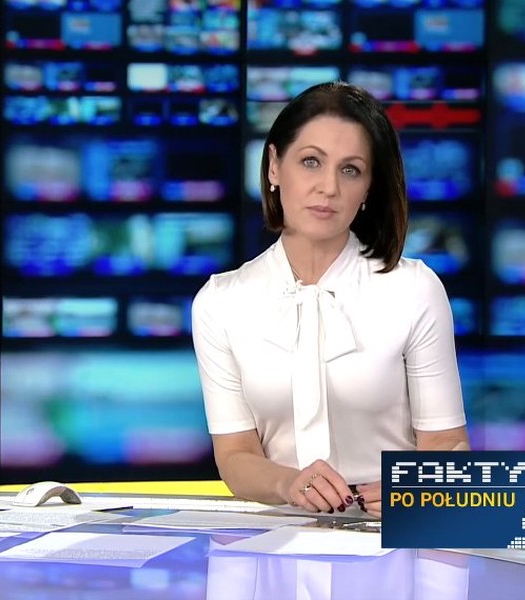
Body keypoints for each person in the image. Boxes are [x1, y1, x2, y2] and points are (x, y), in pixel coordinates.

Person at [191, 81, 469, 518]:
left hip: (397, 535)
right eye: (311, 162)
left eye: (350, 170)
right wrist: (289, 483)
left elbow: (448, 444)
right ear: (274, 167)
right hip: (275, 541)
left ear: (368, 188)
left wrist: (411, 491)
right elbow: (236, 456)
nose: (329, 187)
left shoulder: (415, 289)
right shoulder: (220, 302)